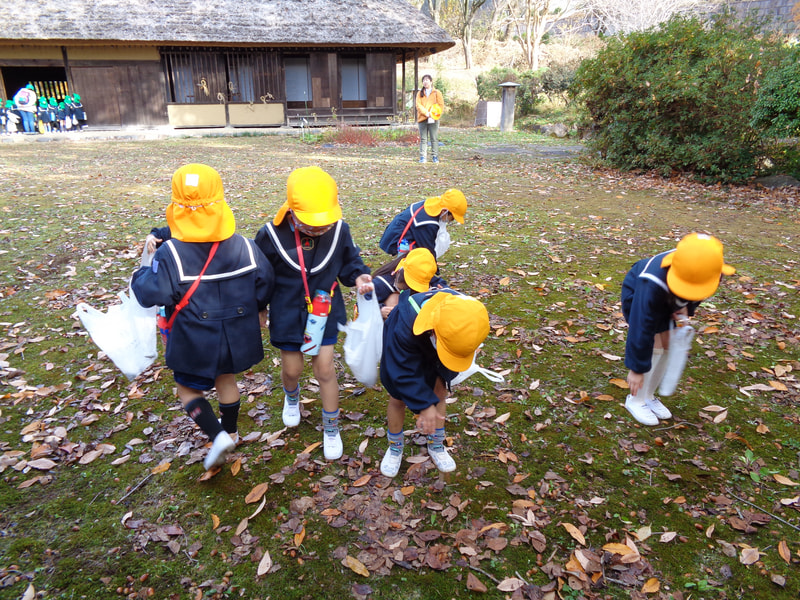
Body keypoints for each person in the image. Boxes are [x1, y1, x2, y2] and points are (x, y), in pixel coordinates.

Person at [131, 164, 275, 471]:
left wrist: (142, 271)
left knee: (187, 388)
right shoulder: (245, 246)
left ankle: (217, 434)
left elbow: (151, 293)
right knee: (226, 378)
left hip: (195, 335)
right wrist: (260, 307)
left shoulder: (171, 254)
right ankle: (231, 430)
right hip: (236, 334)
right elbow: (265, 280)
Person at [254, 166, 373, 460]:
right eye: (312, 223)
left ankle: (331, 428)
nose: (319, 229)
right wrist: (259, 306)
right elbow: (261, 276)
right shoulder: (270, 235)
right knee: (292, 369)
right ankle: (291, 396)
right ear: (292, 212)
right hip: (287, 311)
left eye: (324, 223)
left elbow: (350, 263)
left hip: (325, 310)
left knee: (325, 370)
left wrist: (359, 277)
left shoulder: (340, 230)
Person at [621, 233, 735, 425]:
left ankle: (648, 395)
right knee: (655, 341)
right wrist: (636, 369)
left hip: (670, 296)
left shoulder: (708, 269)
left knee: (668, 342)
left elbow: (699, 292)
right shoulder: (651, 282)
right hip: (639, 295)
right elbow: (641, 327)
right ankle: (636, 399)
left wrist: (685, 308)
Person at [379, 290, 490, 478]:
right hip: (403, 353)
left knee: (439, 392)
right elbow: (402, 372)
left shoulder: (466, 314)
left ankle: (436, 444)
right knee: (397, 398)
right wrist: (424, 405)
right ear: (434, 331)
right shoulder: (403, 326)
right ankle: (395, 447)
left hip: (438, 349)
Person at [378, 189, 467, 269]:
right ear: (444, 211)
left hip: (395, 232)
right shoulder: (428, 224)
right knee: (419, 260)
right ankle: (403, 267)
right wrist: (433, 269)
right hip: (396, 240)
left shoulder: (430, 205)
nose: (451, 220)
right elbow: (427, 249)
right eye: (453, 218)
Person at [373, 247, 446, 319]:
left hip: (413, 315)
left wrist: (442, 291)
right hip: (388, 319)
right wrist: (380, 310)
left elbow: (440, 283)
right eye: (409, 283)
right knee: (394, 298)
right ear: (399, 271)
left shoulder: (422, 274)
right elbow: (366, 303)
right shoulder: (380, 284)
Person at [415, 74, 444, 163]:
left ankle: (435, 156)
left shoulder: (437, 93)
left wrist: (434, 114)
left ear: (431, 82)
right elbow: (418, 105)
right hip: (422, 118)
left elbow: (441, 105)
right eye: (424, 80)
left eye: (427, 80)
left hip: (433, 119)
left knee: (434, 138)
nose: (425, 82)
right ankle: (423, 157)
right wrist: (426, 113)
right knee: (423, 139)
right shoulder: (419, 93)